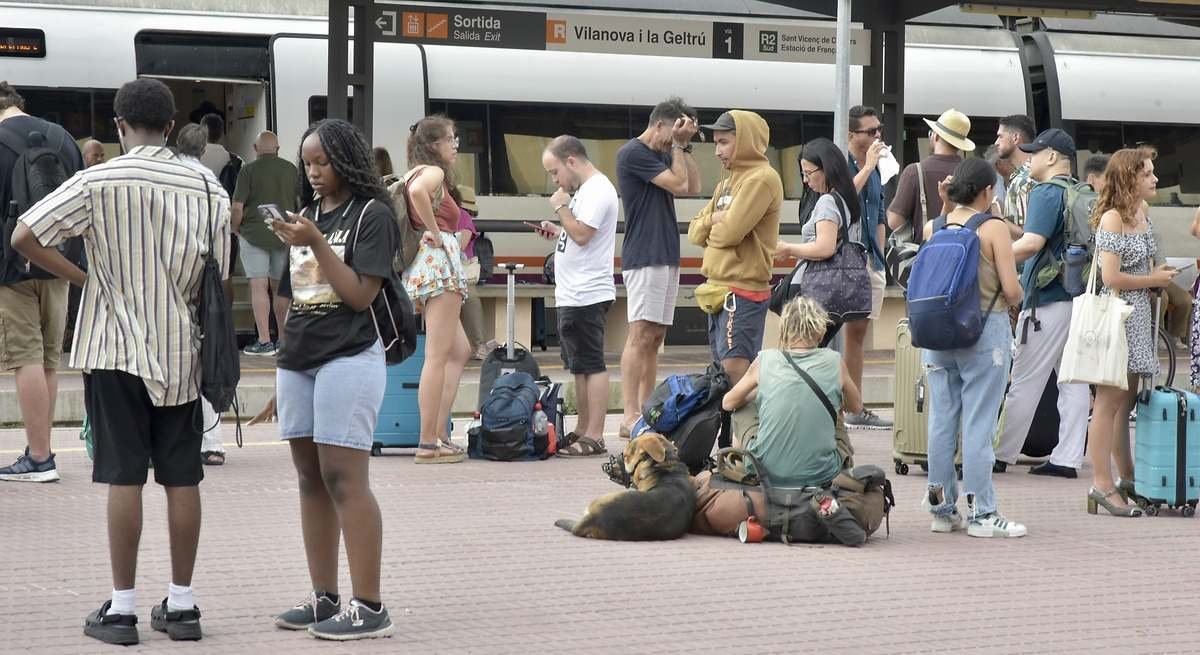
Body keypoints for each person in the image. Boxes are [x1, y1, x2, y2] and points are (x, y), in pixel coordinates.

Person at [13, 77, 227, 643]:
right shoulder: (207, 186)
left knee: (123, 477)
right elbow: (218, 274)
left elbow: (25, 234)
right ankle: (182, 606)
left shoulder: (99, 178)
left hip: (113, 348)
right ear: (172, 120)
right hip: (182, 350)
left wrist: (86, 278)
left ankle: (123, 608)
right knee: (183, 477)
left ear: (118, 124)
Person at [270, 118, 398, 639]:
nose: (314, 172)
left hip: (349, 354)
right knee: (309, 478)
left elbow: (360, 295)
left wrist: (319, 241)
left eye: (323, 162)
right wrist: (284, 356)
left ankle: (369, 606)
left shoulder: (373, 214)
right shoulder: (305, 216)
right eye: (307, 163)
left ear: (345, 161)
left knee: (344, 477)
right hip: (300, 355)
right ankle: (324, 598)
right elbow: (293, 292)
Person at [690, 296, 864, 542]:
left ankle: (743, 466)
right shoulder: (835, 362)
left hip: (766, 471)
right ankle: (825, 467)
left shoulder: (765, 360)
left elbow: (727, 402)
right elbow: (856, 406)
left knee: (743, 404)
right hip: (822, 473)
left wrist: (759, 392)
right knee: (835, 410)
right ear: (819, 329)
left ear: (785, 329)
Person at [922, 158, 1027, 538]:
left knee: (941, 421)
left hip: (936, 336)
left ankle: (941, 509)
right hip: (984, 333)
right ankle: (983, 513)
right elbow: (1012, 289)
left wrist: (945, 207)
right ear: (987, 191)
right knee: (979, 423)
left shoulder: (934, 226)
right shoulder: (993, 228)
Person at [0, 80, 84, 483]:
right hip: (58, 261)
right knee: (50, 359)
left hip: (10, 266)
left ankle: (39, 457)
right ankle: (42, 449)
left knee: (25, 359)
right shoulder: (63, 137)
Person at [995, 129, 1091, 476]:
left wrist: (995, 256)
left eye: (1035, 153)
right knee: (1075, 381)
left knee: (1023, 379)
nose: (1030, 158)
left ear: (1052, 157)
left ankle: (1001, 454)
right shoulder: (1081, 192)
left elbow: (1032, 243)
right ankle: (1067, 459)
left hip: (1046, 301)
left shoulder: (1047, 192)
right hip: (1078, 299)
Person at [1087, 147, 1175, 517]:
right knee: (1108, 402)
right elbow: (1110, 278)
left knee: (1126, 402)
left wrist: (1160, 273)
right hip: (1119, 315)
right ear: (1130, 178)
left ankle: (1127, 477)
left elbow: (1150, 259)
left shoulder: (1143, 213)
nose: (1155, 179)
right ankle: (1101, 484)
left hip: (1138, 316)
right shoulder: (1112, 219)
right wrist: (1153, 278)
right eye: (1148, 174)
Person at [615, 96, 700, 439]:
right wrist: (677, 148)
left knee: (656, 335)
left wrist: (685, 147)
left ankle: (648, 407)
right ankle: (629, 413)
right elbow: (679, 185)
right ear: (660, 124)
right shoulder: (633, 153)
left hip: (665, 252)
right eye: (673, 133)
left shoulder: (668, 153)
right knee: (639, 334)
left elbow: (692, 187)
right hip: (644, 254)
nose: (672, 141)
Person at [534, 136, 618, 457]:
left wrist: (561, 207)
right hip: (573, 292)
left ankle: (594, 435)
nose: (555, 181)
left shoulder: (598, 189)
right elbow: (578, 231)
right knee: (579, 366)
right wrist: (557, 230)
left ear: (571, 160)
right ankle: (583, 429)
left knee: (592, 364)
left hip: (587, 292)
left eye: (555, 172)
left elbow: (582, 234)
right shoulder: (585, 192)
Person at [687, 110, 782, 385]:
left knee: (735, 373)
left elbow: (730, 234)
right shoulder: (726, 184)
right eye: (716, 142)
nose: (717, 151)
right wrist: (715, 218)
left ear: (746, 141)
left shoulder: (761, 179)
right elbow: (693, 231)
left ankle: (747, 430)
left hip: (742, 293)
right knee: (721, 376)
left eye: (724, 142)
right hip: (718, 290)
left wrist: (713, 228)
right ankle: (728, 429)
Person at [402, 116, 471, 464]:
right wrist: (435, 231)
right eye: (450, 139)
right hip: (440, 266)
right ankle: (428, 441)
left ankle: (439, 433)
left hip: (426, 266)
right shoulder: (433, 174)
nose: (455, 145)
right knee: (437, 356)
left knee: (459, 350)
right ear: (433, 146)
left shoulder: (413, 172)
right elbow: (417, 195)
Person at [175, 123, 232, 466]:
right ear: (204, 148)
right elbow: (223, 250)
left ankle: (173, 438)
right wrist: (218, 285)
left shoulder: (165, 177)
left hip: (167, 282)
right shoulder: (215, 188)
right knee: (206, 358)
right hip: (203, 284)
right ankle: (212, 441)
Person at [776, 138, 863, 347]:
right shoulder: (844, 199)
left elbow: (825, 247)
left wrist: (787, 248)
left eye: (808, 173)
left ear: (827, 169)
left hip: (813, 288)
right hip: (835, 288)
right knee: (814, 352)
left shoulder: (827, 202)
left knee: (800, 353)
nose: (805, 180)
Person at [841, 105, 892, 429]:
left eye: (879, 130)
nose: (877, 136)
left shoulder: (875, 169)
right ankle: (843, 406)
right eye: (870, 131)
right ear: (851, 135)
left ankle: (854, 406)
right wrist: (869, 164)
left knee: (859, 332)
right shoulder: (843, 164)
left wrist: (880, 252)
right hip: (843, 259)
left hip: (869, 258)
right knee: (836, 331)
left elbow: (881, 211)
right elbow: (842, 198)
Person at [232, 130, 299, 356]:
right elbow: (298, 203)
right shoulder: (291, 170)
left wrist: (236, 228)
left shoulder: (247, 170)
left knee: (258, 286)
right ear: (278, 148)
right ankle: (283, 339)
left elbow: (237, 207)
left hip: (254, 234)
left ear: (255, 148)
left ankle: (264, 341)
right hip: (283, 234)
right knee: (281, 288)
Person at [887, 108, 974, 241]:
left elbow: (894, 221)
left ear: (936, 136)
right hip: (965, 253)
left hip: (926, 254)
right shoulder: (973, 173)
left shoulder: (915, 171)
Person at [452, 185, 491, 359]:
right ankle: (479, 345)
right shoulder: (464, 216)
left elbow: (461, 245)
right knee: (471, 301)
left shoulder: (461, 216)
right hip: (460, 273)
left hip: (455, 271)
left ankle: (475, 344)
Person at [994, 114, 1037, 232]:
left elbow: (1026, 235)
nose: (996, 142)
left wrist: (998, 216)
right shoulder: (1029, 174)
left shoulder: (1024, 180)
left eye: (1000, 136)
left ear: (1015, 138)